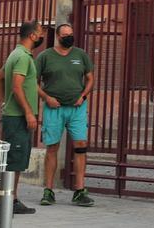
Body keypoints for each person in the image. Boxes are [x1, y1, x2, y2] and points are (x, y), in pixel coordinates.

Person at [0, 21, 45, 218]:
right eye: (40, 32)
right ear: (32, 36)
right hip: (18, 118)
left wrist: (5, 101)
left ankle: (11, 199)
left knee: (18, 160)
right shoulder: (22, 57)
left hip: (16, 115)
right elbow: (17, 87)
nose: (41, 36)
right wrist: (28, 112)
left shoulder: (18, 54)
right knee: (11, 161)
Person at [36, 23, 96, 207]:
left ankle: (79, 190)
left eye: (71, 34)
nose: (69, 37)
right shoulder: (45, 57)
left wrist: (83, 96)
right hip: (54, 108)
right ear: (58, 37)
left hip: (77, 108)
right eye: (65, 35)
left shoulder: (81, 55)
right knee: (52, 147)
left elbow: (90, 78)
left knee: (80, 145)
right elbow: (34, 82)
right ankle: (48, 190)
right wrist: (47, 98)